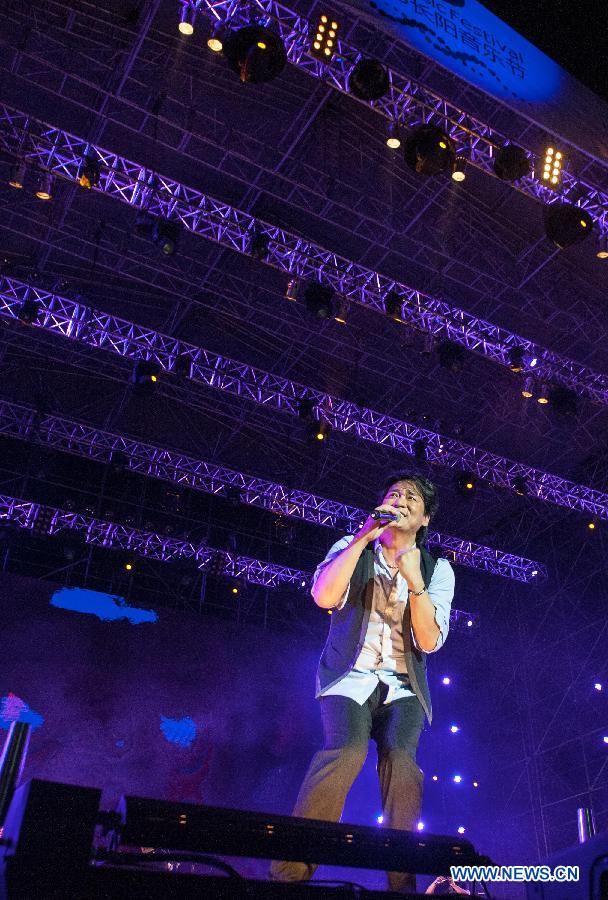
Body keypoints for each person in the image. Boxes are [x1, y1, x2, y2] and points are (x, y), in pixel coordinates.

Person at [270, 472, 455, 894]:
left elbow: (429, 640)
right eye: (393, 493)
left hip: (403, 687)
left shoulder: (437, 569)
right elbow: (323, 597)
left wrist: (415, 582)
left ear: (424, 519)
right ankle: (288, 878)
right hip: (348, 677)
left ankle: (401, 884)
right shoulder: (352, 547)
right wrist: (359, 540)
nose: (400, 500)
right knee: (346, 751)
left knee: (402, 765)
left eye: (411, 497)